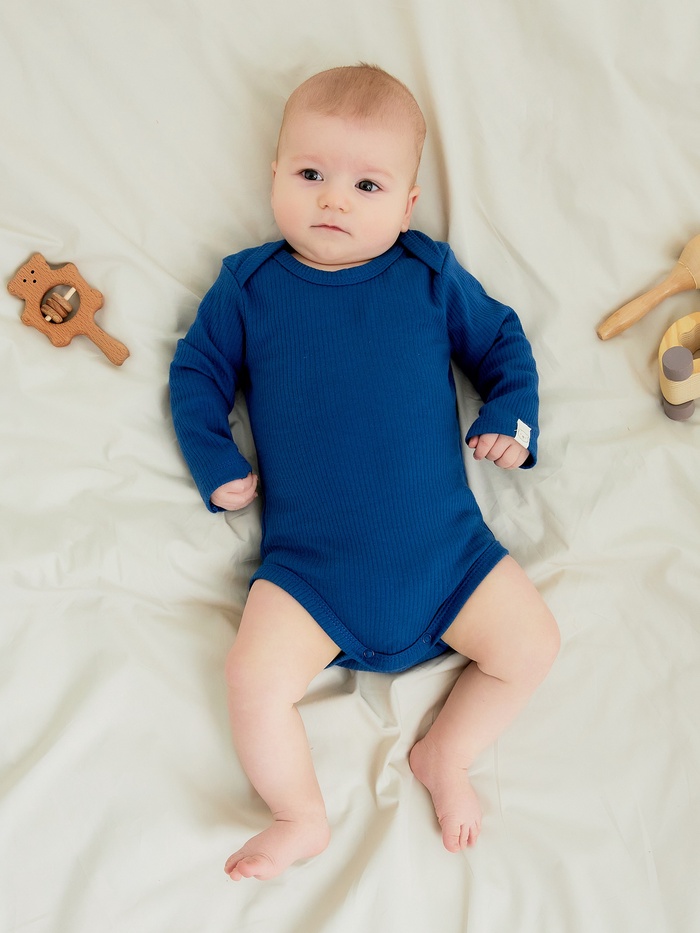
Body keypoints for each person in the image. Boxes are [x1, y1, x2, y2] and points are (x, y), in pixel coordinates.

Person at [169, 64, 560, 882]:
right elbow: (197, 371)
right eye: (310, 174)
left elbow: (502, 344)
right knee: (251, 677)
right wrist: (214, 460)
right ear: (274, 174)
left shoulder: (428, 274)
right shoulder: (249, 287)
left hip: (450, 559)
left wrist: (511, 420)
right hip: (311, 574)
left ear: (407, 204)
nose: (334, 201)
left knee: (531, 645)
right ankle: (299, 812)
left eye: (366, 185)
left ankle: (446, 753)